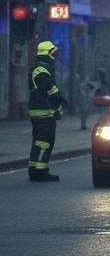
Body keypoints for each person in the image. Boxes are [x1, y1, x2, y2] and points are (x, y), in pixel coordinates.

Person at [28, 40, 65, 182]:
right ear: (47, 53)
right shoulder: (41, 70)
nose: (55, 55)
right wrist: (57, 106)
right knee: (45, 141)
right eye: (53, 52)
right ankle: (40, 171)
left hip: (42, 111)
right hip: (43, 112)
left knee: (39, 141)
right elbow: (50, 91)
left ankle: (34, 168)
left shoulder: (42, 68)